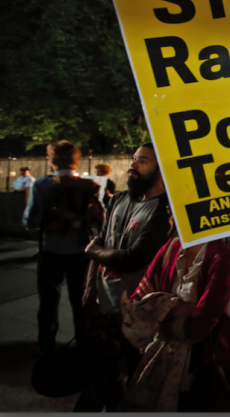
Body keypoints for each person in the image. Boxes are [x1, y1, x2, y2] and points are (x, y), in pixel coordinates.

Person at [77, 143, 171, 411]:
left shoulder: (165, 210)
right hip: (104, 309)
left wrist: (94, 251)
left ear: (161, 169)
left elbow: (133, 257)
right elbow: (101, 244)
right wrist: (89, 294)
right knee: (101, 380)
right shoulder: (117, 199)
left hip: (138, 315)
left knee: (134, 385)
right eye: (134, 159)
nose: (133, 165)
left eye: (142, 161)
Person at [119, 222, 230, 412]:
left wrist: (160, 309)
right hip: (160, 354)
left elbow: (197, 328)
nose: (169, 216)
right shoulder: (169, 248)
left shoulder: (224, 257)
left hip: (201, 361)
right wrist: (183, 309)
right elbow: (137, 305)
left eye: (173, 208)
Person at [23, 141, 103, 356]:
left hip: (51, 251)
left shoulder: (42, 184)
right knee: (81, 301)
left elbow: (31, 220)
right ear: (76, 161)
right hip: (81, 252)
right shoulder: (90, 185)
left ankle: (46, 345)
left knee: (48, 302)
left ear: (52, 161)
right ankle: (84, 344)